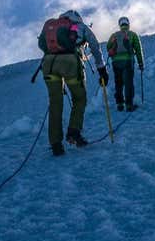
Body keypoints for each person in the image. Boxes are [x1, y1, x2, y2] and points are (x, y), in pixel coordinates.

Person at [38, 10, 108, 156]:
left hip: (48, 64)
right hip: (70, 62)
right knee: (79, 98)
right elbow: (94, 45)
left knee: (55, 102)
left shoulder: (52, 26)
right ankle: (74, 132)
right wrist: (101, 68)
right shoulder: (79, 26)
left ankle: (56, 144)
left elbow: (42, 44)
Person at [106, 17, 144, 112]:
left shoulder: (114, 35)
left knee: (118, 83)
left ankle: (119, 104)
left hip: (116, 62)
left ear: (120, 25)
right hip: (128, 61)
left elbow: (108, 47)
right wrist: (140, 63)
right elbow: (138, 50)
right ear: (128, 24)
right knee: (128, 83)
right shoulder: (133, 34)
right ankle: (129, 105)